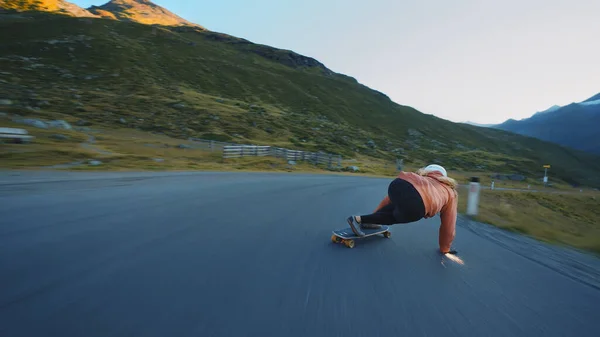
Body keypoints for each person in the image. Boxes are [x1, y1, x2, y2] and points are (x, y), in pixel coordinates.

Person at [346, 164, 458, 254]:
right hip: (417, 203)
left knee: (396, 205)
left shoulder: (420, 177)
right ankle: (359, 220)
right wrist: (445, 248)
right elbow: (448, 224)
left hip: (398, 183)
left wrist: (373, 217)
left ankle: (359, 219)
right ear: (445, 177)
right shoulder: (450, 192)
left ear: (427, 172)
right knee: (395, 216)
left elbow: (388, 200)